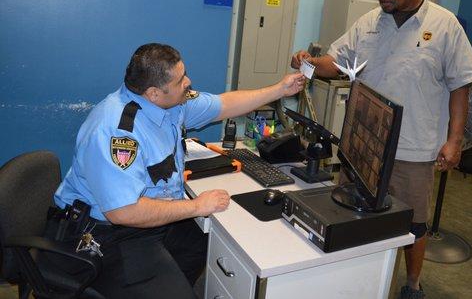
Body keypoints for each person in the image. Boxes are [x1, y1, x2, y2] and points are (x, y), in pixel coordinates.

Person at [291, 0, 472, 299]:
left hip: (414, 147)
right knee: (349, 209)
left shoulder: (443, 25)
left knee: (412, 222)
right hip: (363, 142)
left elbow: (461, 86)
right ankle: (354, 277)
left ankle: (412, 285)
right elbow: (335, 63)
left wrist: (454, 141)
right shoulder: (369, 22)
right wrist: (308, 62)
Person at [47, 43, 305, 298]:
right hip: (106, 233)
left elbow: (224, 105)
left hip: (150, 220)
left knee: (212, 241)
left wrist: (280, 89)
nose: (188, 82)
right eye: (181, 79)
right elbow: (124, 211)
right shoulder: (116, 131)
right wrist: (197, 206)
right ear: (153, 93)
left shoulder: (171, 103)